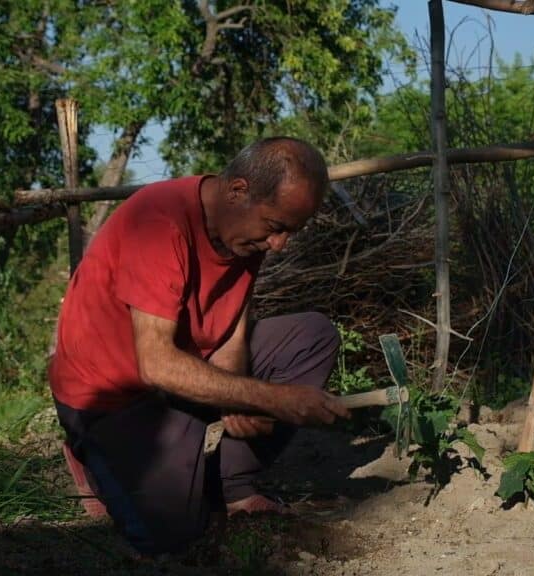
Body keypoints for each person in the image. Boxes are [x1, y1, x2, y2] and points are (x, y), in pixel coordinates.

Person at [49, 136, 349, 554]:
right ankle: (92, 457)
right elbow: (156, 364)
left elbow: (231, 329)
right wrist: (269, 397)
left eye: (290, 233)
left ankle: (233, 483)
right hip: (111, 397)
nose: (279, 245)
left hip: (178, 370)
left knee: (311, 337)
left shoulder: (244, 231)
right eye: (277, 228)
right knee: (171, 535)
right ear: (238, 191)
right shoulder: (159, 222)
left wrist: (241, 399)